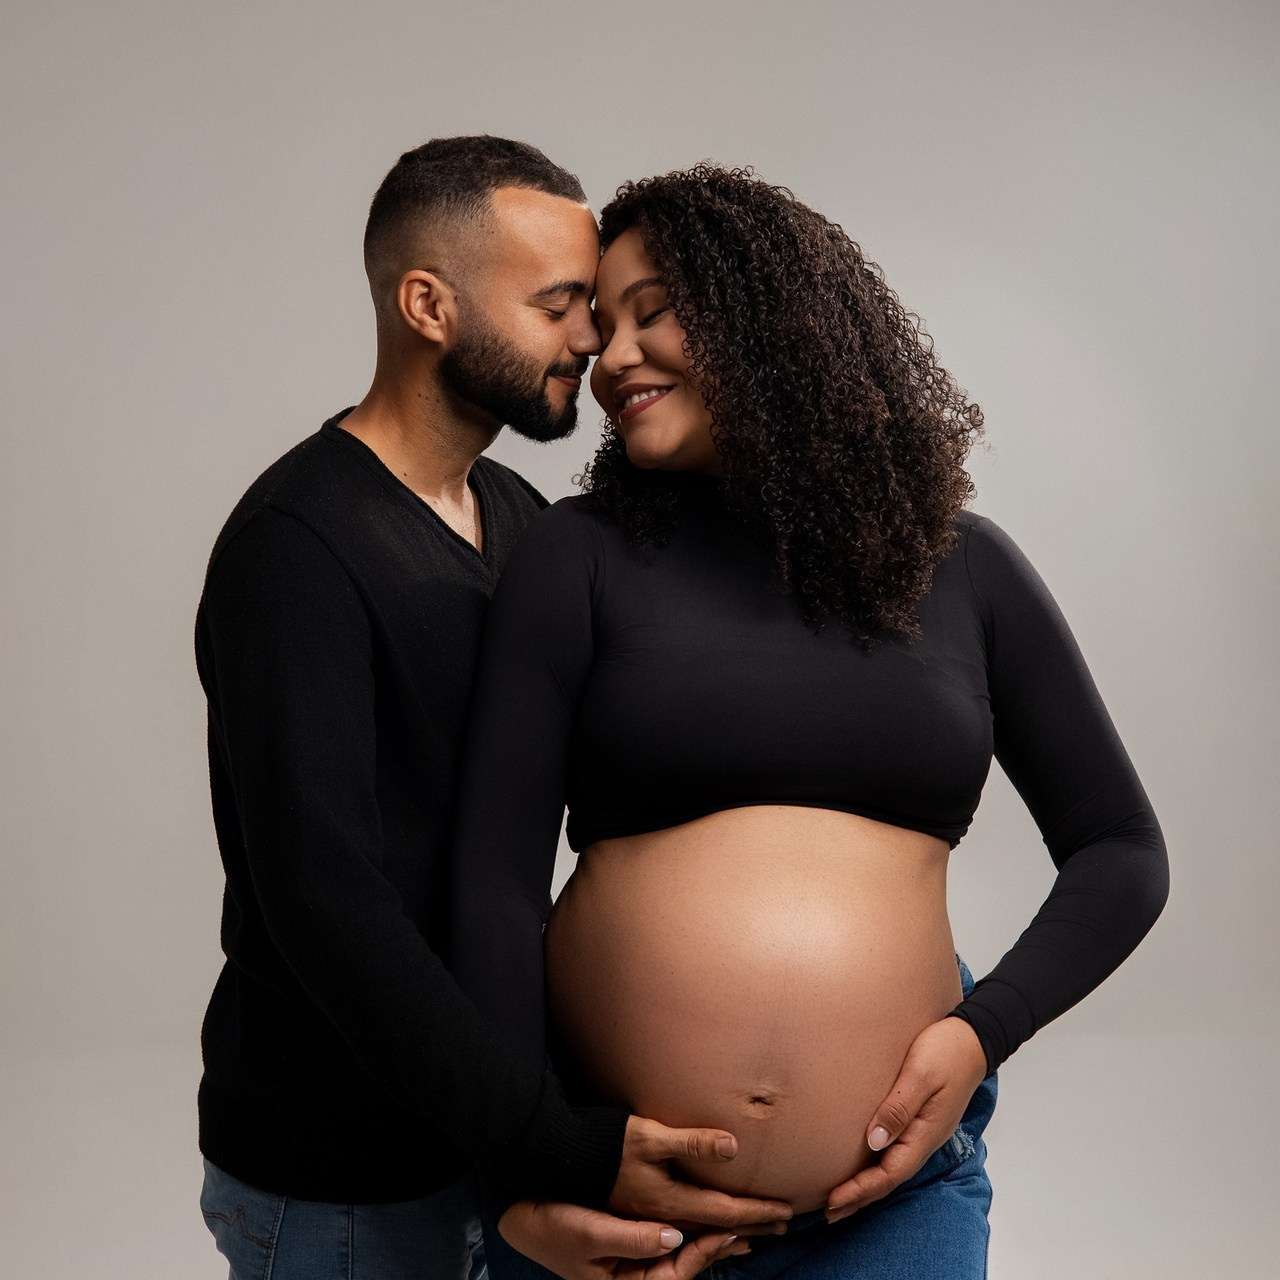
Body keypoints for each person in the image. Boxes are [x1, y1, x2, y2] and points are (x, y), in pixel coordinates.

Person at [449, 164, 1170, 1278]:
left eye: (654, 312)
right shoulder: (574, 556)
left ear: (765, 320)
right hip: (611, 1204)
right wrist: (521, 1176)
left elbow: (1120, 850)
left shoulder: (960, 567)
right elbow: (490, 887)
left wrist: (981, 1030)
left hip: (884, 1205)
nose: (613, 360)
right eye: (602, 328)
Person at [194, 138, 785, 1280]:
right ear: (427, 302)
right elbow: (325, 901)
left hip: (482, 1146)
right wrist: (553, 1140)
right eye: (560, 303)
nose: (592, 341)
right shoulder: (296, 546)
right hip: (342, 1180)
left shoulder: (517, 515)